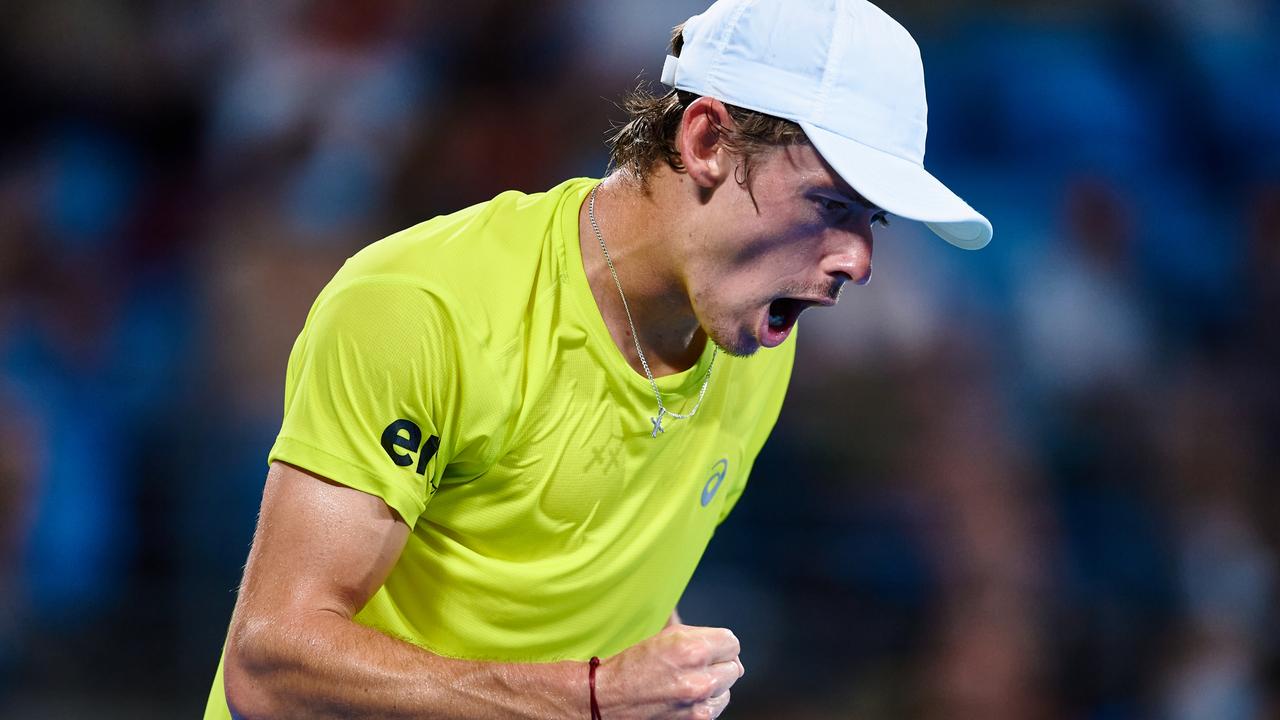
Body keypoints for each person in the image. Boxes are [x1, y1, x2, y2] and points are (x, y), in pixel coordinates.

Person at [204, 0, 992, 717]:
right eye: (830, 206)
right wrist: (587, 697)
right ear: (707, 140)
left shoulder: (754, 341)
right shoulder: (424, 305)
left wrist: (664, 681)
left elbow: (593, 593)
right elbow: (270, 667)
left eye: (872, 220)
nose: (858, 261)